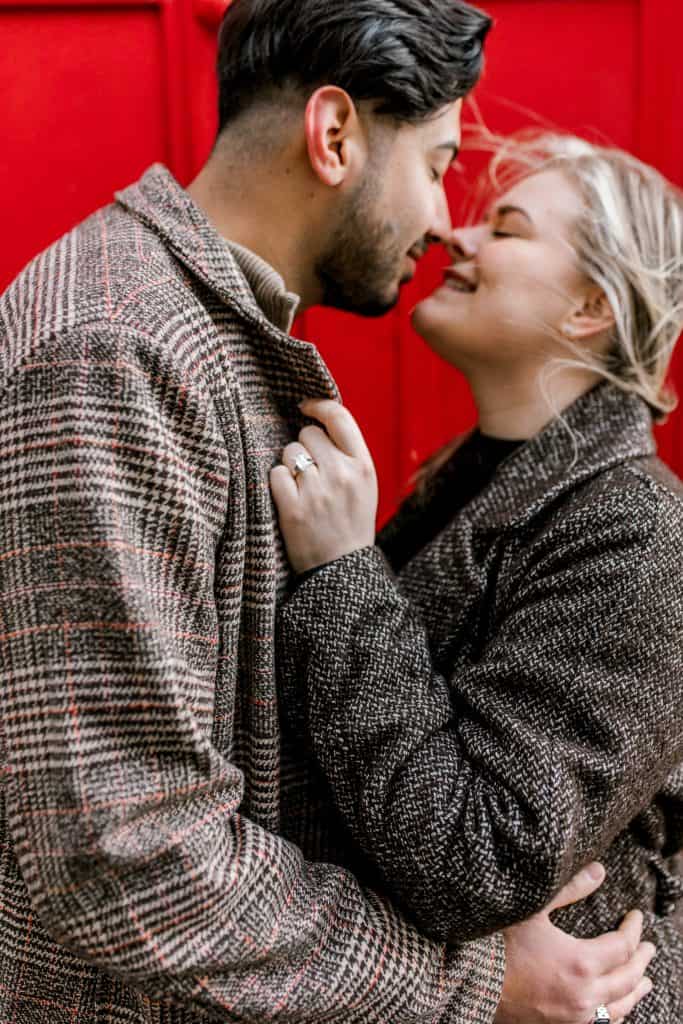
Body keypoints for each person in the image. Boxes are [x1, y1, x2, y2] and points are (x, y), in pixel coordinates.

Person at [0, 1, 652, 1019]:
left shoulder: (205, 342)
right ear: (335, 135)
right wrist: (468, 982)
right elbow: (122, 851)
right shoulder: (117, 351)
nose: (444, 222)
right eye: (437, 163)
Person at [272, 133, 683, 1024]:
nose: (454, 239)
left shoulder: (639, 532)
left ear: (587, 307)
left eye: (505, 226)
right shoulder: (470, 484)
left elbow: (478, 858)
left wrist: (343, 573)